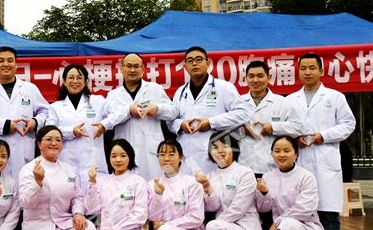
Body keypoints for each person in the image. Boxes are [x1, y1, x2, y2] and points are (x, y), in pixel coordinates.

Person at [287, 52, 355, 230]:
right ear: (298, 72)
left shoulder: (335, 97)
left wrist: (322, 136)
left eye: (312, 68)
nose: (307, 72)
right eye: (303, 68)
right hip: (301, 161)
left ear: (321, 71)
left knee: (329, 214)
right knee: (305, 212)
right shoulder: (290, 100)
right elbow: (286, 127)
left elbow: (348, 124)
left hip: (325, 161)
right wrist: (294, 139)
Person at [18, 125, 97, 230]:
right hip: (40, 227)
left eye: (58, 140)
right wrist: (37, 182)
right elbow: (25, 203)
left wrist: (78, 213)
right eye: (49, 139)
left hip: (63, 223)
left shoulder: (67, 168)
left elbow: (77, 196)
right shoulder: (29, 169)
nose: (54, 143)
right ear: (39, 144)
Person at [132, 139, 206, 230]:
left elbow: (196, 218)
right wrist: (158, 195)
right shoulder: (152, 184)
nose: (166, 158)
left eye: (172, 154)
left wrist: (167, 225)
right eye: (162, 154)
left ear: (181, 157)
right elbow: (152, 217)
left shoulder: (192, 183)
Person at [193, 132, 262, 230]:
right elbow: (212, 207)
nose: (220, 150)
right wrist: (207, 188)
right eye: (215, 147)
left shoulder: (245, 173)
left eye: (225, 146)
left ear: (234, 149)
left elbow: (238, 209)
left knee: (213, 226)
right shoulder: (210, 176)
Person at [169, 46, 251, 175]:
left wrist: (211, 122)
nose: (194, 63)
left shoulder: (224, 87)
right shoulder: (180, 92)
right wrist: (180, 124)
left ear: (208, 63)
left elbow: (243, 114)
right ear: (185, 67)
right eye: (190, 61)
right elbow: (171, 120)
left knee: (214, 186)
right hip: (186, 155)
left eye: (198, 59)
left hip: (215, 155)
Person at [255, 136, 325, 230]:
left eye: (287, 150)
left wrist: (278, 222)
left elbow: (305, 208)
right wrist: (264, 193)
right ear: (272, 153)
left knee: (288, 225)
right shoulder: (267, 177)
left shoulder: (306, 177)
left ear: (296, 154)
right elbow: (263, 208)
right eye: (277, 151)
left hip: (305, 229)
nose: (282, 154)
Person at [77, 139, 148, 230]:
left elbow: (140, 215)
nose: (118, 160)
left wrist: (115, 229)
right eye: (113, 156)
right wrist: (92, 183)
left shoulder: (138, 181)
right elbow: (91, 208)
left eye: (123, 155)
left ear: (130, 157)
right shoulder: (103, 181)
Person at [0, 46, 49, 179]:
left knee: (25, 187)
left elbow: (46, 112)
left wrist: (35, 122)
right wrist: (4, 125)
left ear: (16, 64)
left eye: (10, 60)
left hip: (24, 154)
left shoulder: (30, 89)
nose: (6, 64)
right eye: (1, 61)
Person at [47, 64, 127, 188]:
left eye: (79, 78)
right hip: (66, 163)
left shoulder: (97, 101)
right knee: (68, 195)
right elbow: (49, 131)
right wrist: (71, 131)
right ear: (64, 82)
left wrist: (104, 124)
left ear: (85, 82)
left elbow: (121, 111)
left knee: (95, 195)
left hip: (93, 162)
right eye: (71, 77)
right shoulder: (55, 107)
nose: (75, 81)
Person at [106, 53, 178, 179]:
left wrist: (158, 109)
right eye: (129, 66)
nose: (132, 70)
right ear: (121, 69)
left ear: (143, 69)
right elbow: (109, 120)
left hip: (150, 151)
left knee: (154, 186)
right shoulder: (113, 95)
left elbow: (173, 111)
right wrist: (128, 111)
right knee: (126, 188)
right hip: (124, 152)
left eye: (136, 66)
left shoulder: (155, 89)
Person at [239, 60, 302, 176]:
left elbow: (298, 127)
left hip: (273, 167)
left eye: (260, 76)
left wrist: (273, 127)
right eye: (251, 76)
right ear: (246, 78)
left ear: (268, 77)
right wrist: (242, 130)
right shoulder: (238, 102)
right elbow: (223, 132)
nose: (255, 80)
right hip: (243, 166)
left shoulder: (282, 102)